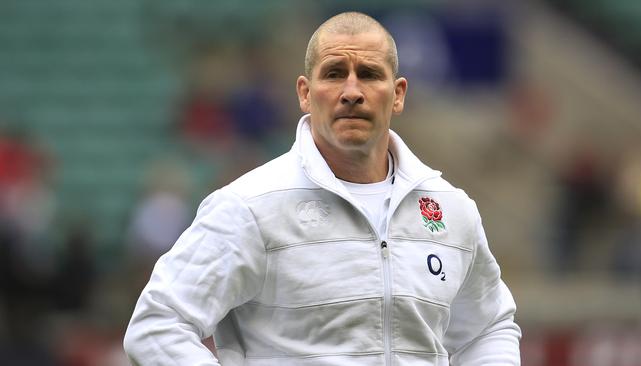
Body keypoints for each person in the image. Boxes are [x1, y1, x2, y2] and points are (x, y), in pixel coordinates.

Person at [124, 11, 521, 365]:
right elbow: (158, 323)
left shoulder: (451, 209)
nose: (352, 91)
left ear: (397, 94)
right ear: (305, 93)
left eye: (368, 74)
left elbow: (488, 328)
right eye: (334, 73)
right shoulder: (250, 206)